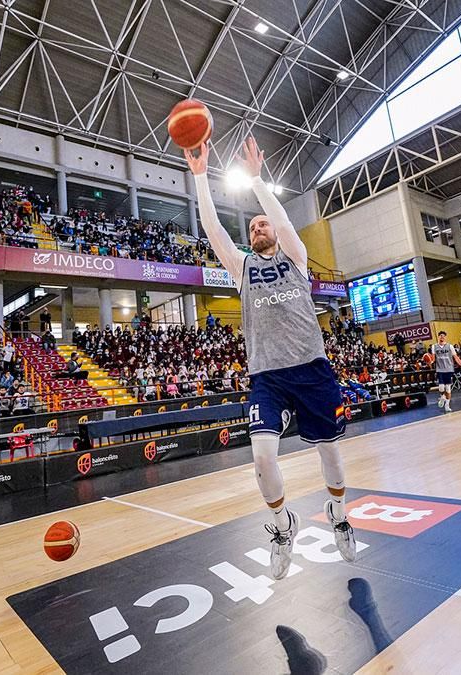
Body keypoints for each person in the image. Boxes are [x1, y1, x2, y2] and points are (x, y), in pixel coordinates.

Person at [185, 135, 354, 579]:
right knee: (261, 456)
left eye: (265, 224)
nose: (259, 228)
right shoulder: (242, 269)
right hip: (268, 377)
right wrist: (201, 177)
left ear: (276, 232)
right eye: (254, 227)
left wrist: (258, 181)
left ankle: (337, 514)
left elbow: (282, 219)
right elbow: (213, 230)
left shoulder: (296, 259)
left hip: (313, 371)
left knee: (331, 455)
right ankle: (283, 526)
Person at [430, 331, 461, 413]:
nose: (442, 337)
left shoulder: (450, 346)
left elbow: (456, 358)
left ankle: (447, 406)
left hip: (449, 369)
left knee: (448, 388)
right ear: (438, 337)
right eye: (440, 336)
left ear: (445, 337)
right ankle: (442, 397)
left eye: (443, 336)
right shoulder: (434, 346)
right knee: (441, 388)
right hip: (440, 369)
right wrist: (430, 362)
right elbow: (433, 359)